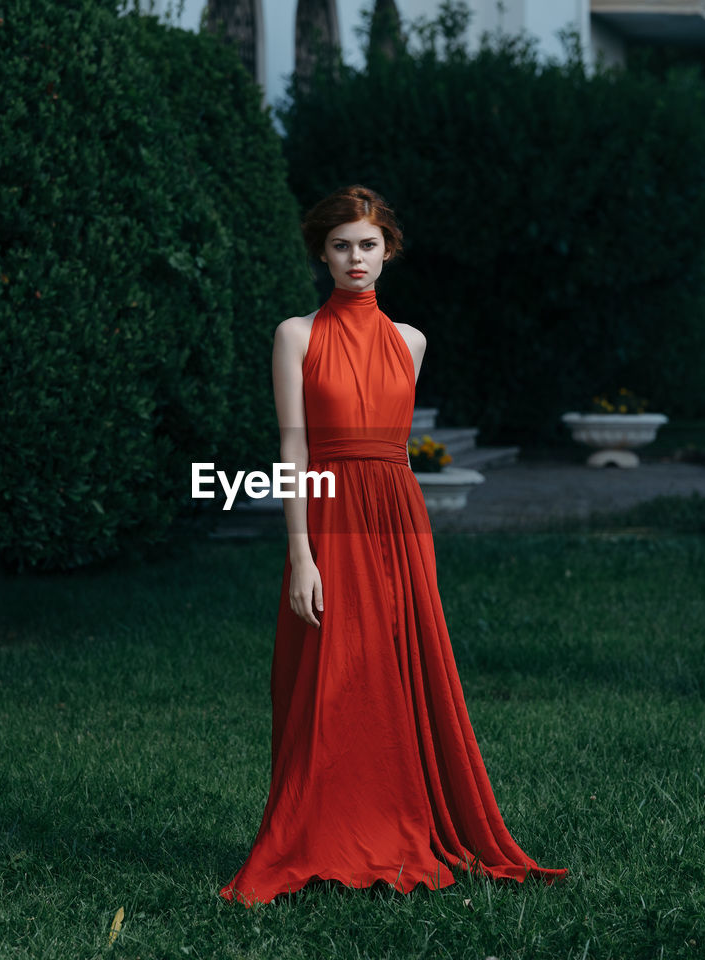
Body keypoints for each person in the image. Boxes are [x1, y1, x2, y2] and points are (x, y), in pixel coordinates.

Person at [219, 185, 568, 906]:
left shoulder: (412, 342)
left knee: (396, 678)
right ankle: (320, 832)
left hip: (398, 520)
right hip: (330, 517)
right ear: (322, 251)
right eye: (342, 244)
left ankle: (399, 820)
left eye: (368, 245)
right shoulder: (295, 334)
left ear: (389, 251)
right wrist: (303, 556)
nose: (355, 257)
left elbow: (400, 455)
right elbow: (292, 450)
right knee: (329, 678)